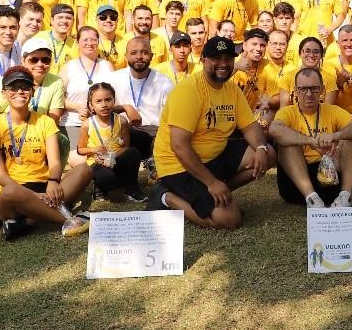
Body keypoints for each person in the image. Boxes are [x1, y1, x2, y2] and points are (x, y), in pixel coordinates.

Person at [149, 37, 274, 229]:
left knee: (269, 154)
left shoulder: (231, 89)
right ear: (203, 60)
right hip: (179, 165)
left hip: (213, 155)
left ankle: (216, 193)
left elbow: (250, 126)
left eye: (228, 58)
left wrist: (260, 147)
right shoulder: (188, 90)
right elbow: (179, 146)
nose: (223, 64)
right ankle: (166, 197)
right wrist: (212, 182)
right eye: (216, 58)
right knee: (230, 220)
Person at [0, 65, 92, 240]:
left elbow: (55, 162)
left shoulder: (45, 122)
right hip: (12, 191)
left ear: (32, 91)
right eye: (13, 88)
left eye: (25, 87)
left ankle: (28, 221)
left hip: (44, 186)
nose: (19, 92)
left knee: (84, 169)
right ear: (4, 93)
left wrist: (54, 181)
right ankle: (68, 219)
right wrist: (35, 196)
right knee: (10, 192)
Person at [269, 66, 352, 208]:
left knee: (351, 139)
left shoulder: (332, 110)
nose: (309, 94)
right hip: (298, 184)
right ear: (296, 91)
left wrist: (336, 136)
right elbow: (274, 129)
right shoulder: (287, 112)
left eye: (314, 88)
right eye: (304, 89)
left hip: (331, 178)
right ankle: (312, 200)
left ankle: (345, 196)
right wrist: (311, 141)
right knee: (287, 144)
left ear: (322, 90)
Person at [109, 35, 175, 163]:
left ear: (151, 55)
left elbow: (171, 117)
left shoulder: (164, 82)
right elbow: (99, 108)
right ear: (126, 56)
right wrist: (125, 107)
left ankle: (154, 161)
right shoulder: (114, 78)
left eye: (144, 52)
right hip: (123, 132)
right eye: (134, 53)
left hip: (153, 133)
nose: (139, 56)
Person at [78, 82, 145, 200]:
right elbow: (80, 150)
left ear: (114, 101)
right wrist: (94, 150)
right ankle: (100, 188)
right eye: (98, 101)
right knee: (107, 177)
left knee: (133, 153)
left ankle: (131, 188)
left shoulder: (122, 121)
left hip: (115, 159)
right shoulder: (87, 124)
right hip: (97, 162)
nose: (104, 105)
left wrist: (111, 156)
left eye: (108, 100)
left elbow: (126, 148)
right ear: (91, 105)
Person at [0, 37, 66, 129]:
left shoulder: (56, 82)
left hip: (40, 136)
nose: (40, 64)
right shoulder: (7, 80)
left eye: (45, 60)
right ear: (23, 60)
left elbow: (53, 119)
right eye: (34, 60)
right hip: (6, 134)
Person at [60, 25, 106, 157]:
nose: (90, 43)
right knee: (81, 160)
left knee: (106, 158)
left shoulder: (107, 66)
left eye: (93, 39)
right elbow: (57, 97)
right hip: (74, 123)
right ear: (77, 42)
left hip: (101, 125)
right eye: (85, 40)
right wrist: (78, 107)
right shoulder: (68, 67)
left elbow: (114, 95)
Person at [38, 3, 80, 74]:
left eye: (68, 18)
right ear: (52, 20)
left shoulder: (76, 45)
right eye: (60, 17)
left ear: (73, 21)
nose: (64, 21)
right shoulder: (39, 38)